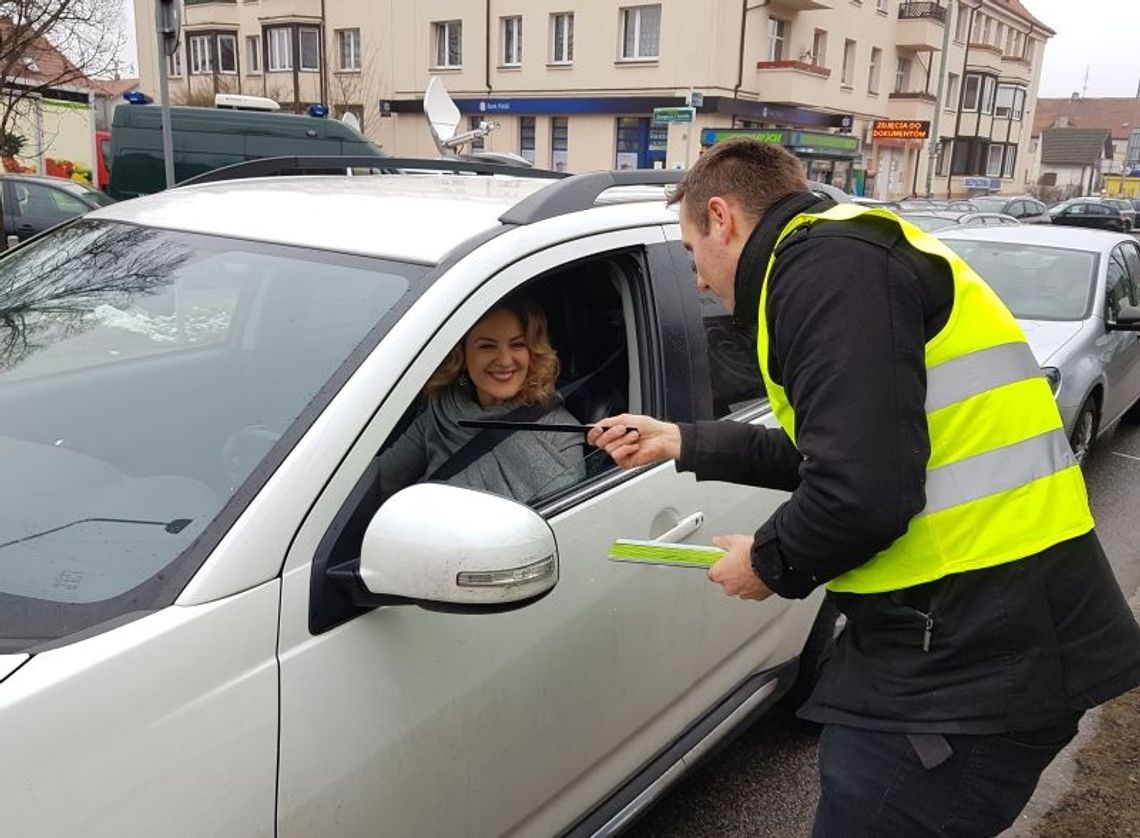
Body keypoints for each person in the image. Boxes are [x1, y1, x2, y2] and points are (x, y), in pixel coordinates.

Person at [589, 138, 1140, 837]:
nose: (696, 278)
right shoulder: (844, 257)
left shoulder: (827, 271)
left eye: (692, 249)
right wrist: (684, 440)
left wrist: (765, 563)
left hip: (975, 652)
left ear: (721, 217)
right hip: (972, 631)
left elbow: (862, 489)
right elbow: (848, 450)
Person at [380, 296, 586, 502]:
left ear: (532, 353)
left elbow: (569, 519)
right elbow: (380, 482)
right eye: (487, 346)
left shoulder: (561, 432)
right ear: (461, 355)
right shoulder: (443, 411)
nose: (505, 360)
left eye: (517, 345)